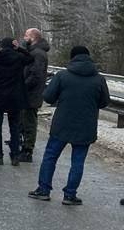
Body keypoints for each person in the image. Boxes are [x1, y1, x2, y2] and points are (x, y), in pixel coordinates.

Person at [28, 45, 110, 204]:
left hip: (62, 124)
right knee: (77, 161)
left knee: (50, 157)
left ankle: (44, 190)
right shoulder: (99, 79)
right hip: (86, 126)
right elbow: (104, 102)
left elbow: (48, 97)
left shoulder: (62, 75)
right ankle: (70, 195)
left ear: (72, 58)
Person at [0, 34, 31, 165]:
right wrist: (19, 48)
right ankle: (15, 156)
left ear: (1, 47)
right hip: (15, 98)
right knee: (14, 127)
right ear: (13, 46)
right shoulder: (19, 58)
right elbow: (30, 58)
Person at [18, 27, 50, 162]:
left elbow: (36, 75)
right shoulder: (32, 51)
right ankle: (23, 144)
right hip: (28, 94)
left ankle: (27, 150)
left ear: (33, 37)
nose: (24, 38)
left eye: (26, 36)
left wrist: (24, 86)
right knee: (24, 121)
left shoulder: (38, 54)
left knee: (29, 122)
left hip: (31, 94)